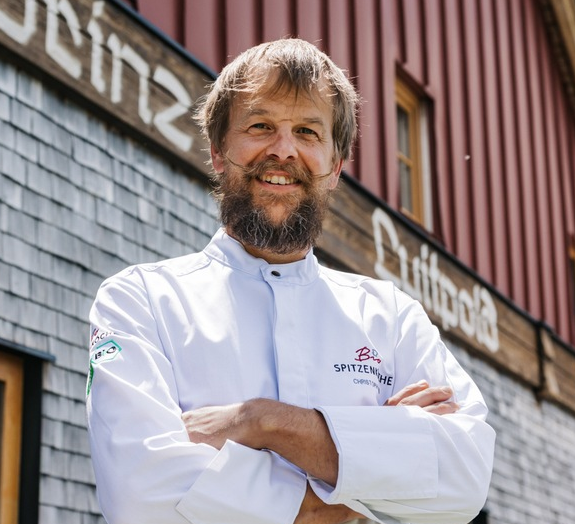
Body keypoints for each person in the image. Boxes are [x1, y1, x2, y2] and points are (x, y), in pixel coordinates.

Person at [86, 39, 495, 524]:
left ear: (335, 166)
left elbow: (464, 479)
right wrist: (369, 473)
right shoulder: (140, 302)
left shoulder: (392, 317)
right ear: (219, 151)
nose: (284, 150)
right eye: (261, 126)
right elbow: (141, 491)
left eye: (307, 131)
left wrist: (260, 422)